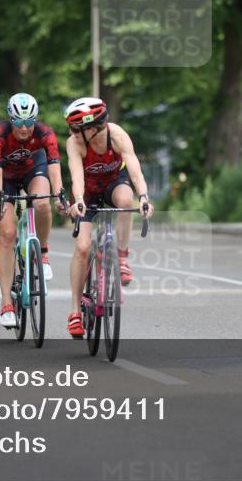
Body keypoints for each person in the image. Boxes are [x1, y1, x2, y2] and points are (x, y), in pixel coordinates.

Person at [64, 97, 152, 338]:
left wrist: (144, 197)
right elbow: (77, 176)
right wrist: (78, 200)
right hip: (87, 190)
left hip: (114, 183)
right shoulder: (75, 144)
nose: (72, 133)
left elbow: (135, 169)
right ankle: (75, 312)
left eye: (76, 129)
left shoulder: (118, 136)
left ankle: (121, 257)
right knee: (83, 248)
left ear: (91, 128)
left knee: (126, 200)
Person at [0, 93, 67, 328]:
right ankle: (6, 303)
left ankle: (42, 252)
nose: (24, 128)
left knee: (42, 202)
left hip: (34, 170)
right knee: (7, 233)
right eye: (19, 122)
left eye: (29, 122)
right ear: (10, 119)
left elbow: (54, 166)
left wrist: (59, 194)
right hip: (6, 177)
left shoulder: (45, 133)